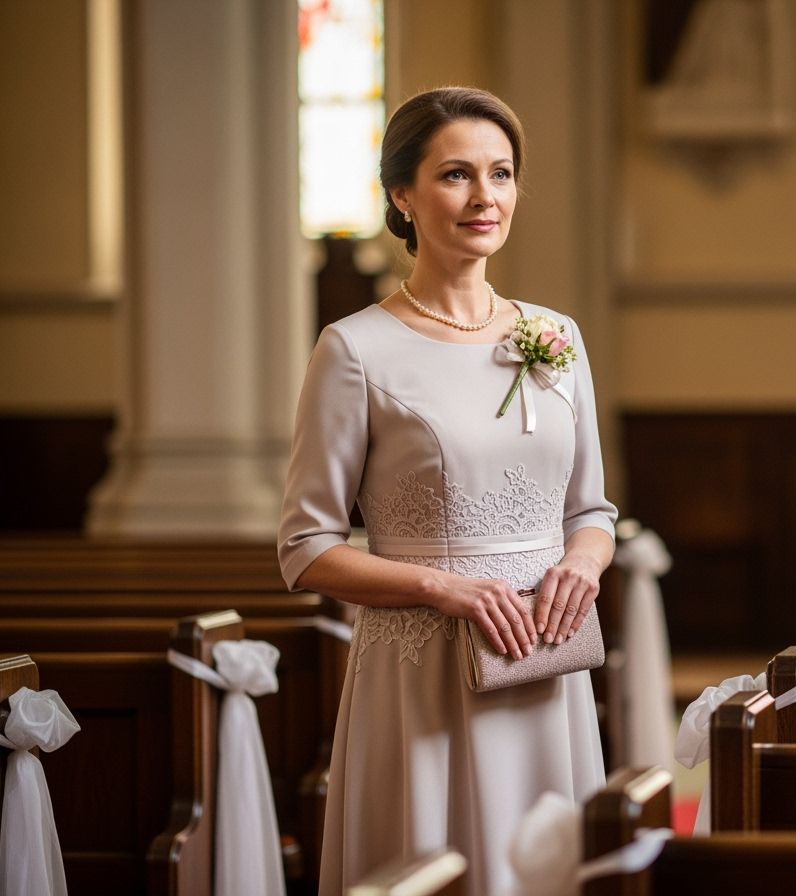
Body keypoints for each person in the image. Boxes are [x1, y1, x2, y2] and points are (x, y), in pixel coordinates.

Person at [277, 86, 617, 896]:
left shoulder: (557, 337)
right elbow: (304, 548)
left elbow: (592, 511)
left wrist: (584, 566)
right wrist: (443, 587)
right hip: (421, 677)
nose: (484, 197)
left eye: (500, 174)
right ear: (403, 194)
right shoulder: (354, 349)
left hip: (545, 662)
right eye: (456, 175)